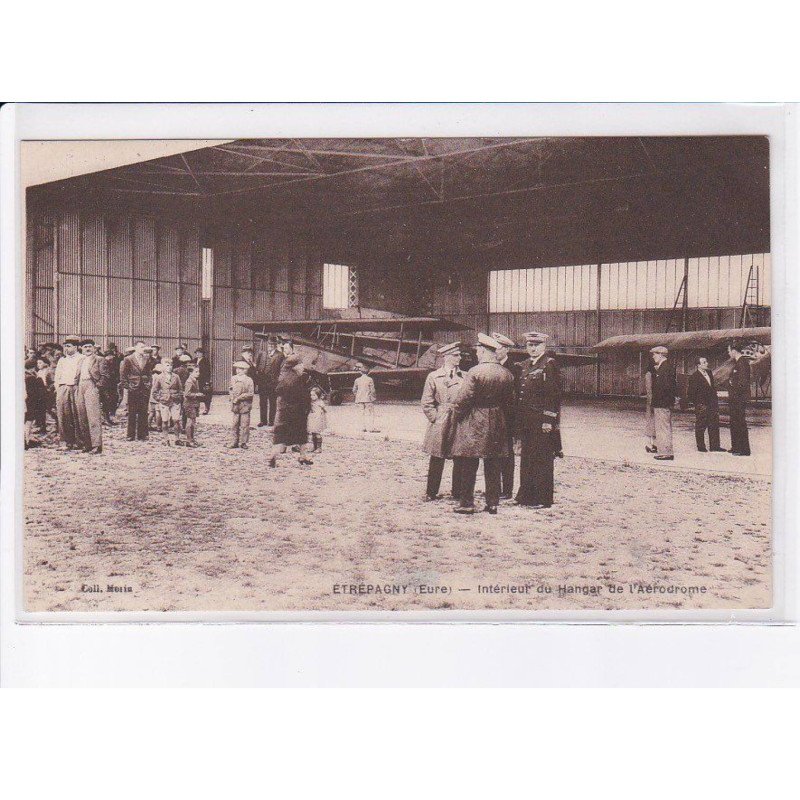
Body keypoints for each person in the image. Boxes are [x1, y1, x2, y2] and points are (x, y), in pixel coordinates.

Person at [450, 333, 515, 515]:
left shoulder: (475, 372)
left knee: (469, 463)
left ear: (485, 351)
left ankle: (466, 503)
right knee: (493, 464)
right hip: (497, 420)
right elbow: (510, 402)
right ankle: (492, 503)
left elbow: (464, 399)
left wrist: (457, 416)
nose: (477, 354)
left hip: (475, 420)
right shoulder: (507, 373)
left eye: (478, 350)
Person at [514, 331, 562, 508]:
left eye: (536, 345)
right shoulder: (526, 364)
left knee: (542, 459)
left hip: (541, 421)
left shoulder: (549, 364)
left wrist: (548, 420)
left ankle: (543, 498)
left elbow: (553, 395)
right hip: (527, 420)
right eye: (530, 345)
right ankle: (526, 495)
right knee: (527, 458)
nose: (533, 348)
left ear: (544, 346)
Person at [420, 341, 465, 501]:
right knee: (436, 456)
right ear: (446, 357)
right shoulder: (433, 376)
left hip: (458, 419)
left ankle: (457, 492)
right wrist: (435, 418)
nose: (459, 358)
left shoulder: (465, 376)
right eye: (455, 355)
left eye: (459, 355)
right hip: (440, 420)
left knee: (459, 456)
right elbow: (426, 402)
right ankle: (431, 492)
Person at [268, 355, 313, 466]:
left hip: (285, 411)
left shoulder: (284, 377)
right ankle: (301, 456)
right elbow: (303, 396)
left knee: (281, 437)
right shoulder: (296, 379)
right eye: (300, 364)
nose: (303, 367)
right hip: (295, 413)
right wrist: (307, 407)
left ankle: (274, 457)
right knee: (299, 435)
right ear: (295, 366)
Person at [491, 332, 518, 498]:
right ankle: (494, 488)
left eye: (498, 348)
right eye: (493, 348)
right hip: (491, 417)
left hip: (507, 418)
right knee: (492, 454)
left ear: (506, 349)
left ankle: (507, 490)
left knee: (507, 455)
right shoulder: (490, 366)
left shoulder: (514, 369)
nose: (495, 351)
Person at [74, 338, 109, 454]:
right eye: (85, 347)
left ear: (94, 348)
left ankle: (96, 445)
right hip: (81, 386)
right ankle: (87, 444)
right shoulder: (80, 360)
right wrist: (76, 387)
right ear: (81, 349)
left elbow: (105, 376)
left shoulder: (100, 359)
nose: (87, 349)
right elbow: (77, 375)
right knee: (82, 416)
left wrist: (97, 387)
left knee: (93, 417)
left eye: (90, 346)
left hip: (92, 386)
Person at [54, 335, 84, 451]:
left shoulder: (82, 358)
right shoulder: (62, 360)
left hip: (76, 388)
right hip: (63, 388)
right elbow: (57, 376)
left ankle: (79, 441)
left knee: (76, 415)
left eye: (69, 346)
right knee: (63, 415)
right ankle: (66, 441)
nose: (66, 349)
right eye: (65, 346)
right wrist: (58, 388)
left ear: (76, 347)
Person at [687, 355, 723, 452]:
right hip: (702, 404)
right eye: (704, 362)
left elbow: (712, 388)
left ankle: (715, 446)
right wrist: (698, 403)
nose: (707, 363)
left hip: (712, 403)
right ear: (698, 365)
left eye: (706, 361)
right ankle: (701, 446)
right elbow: (691, 393)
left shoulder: (709, 373)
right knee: (701, 425)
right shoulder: (694, 377)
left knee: (714, 424)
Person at [119, 341, 154, 441]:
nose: (143, 349)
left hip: (144, 388)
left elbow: (149, 373)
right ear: (135, 348)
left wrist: (149, 384)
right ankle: (130, 435)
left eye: (144, 347)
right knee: (132, 412)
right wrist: (128, 386)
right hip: (133, 388)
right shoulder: (128, 359)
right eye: (141, 347)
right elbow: (123, 374)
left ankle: (142, 435)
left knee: (143, 411)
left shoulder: (146, 358)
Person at [649, 345, 678, 461]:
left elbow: (665, 387)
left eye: (654, 354)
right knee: (663, 427)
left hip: (662, 403)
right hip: (663, 403)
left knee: (662, 428)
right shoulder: (665, 366)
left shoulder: (664, 367)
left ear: (660, 354)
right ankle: (664, 451)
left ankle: (666, 452)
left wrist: (661, 401)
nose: (653, 357)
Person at [727, 339, 751, 456]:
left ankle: (744, 450)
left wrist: (734, 393)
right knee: (735, 422)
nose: (728, 353)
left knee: (740, 422)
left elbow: (742, 383)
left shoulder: (742, 363)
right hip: (736, 398)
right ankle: (736, 447)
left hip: (739, 398)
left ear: (734, 350)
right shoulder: (738, 363)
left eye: (729, 351)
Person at [152, 357, 184, 446]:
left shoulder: (176, 377)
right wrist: (160, 399)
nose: (169, 367)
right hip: (164, 401)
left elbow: (180, 389)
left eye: (171, 365)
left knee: (176, 420)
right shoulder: (159, 377)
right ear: (163, 367)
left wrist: (178, 397)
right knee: (165, 421)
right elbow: (154, 392)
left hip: (175, 401)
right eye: (167, 365)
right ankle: (166, 439)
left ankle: (177, 439)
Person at [256, 337, 284, 427]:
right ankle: (263, 421)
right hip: (262, 382)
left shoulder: (280, 355)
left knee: (272, 402)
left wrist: (278, 380)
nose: (270, 346)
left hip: (273, 383)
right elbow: (257, 366)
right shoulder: (262, 353)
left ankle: (271, 421)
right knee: (262, 402)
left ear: (275, 345)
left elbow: (282, 369)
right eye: (269, 344)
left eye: (272, 344)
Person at [228, 360, 255, 449]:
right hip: (235, 405)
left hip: (245, 405)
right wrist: (232, 397)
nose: (238, 371)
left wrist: (240, 398)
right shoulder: (233, 379)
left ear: (245, 370)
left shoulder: (249, 380)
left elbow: (250, 393)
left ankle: (243, 442)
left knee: (244, 424)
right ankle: (234, 441)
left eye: (240, 369)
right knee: (235, 424)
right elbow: (231, 389)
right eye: (237, 369)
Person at [24, 359, 46, 449]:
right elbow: (37, 391)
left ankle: (26, 439)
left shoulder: (24, 376)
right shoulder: (32, 378)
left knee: (26, 421)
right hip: (30, 402)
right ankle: (26, 440)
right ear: (33, 367)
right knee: (29, 422)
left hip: (26, 401)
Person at [180, 363, 204, 447]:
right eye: (196, 372)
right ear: (191, 372)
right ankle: (189, 440)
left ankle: (192, 439)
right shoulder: (189, 382)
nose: (198, 373)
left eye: (198, 371)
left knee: (193, 422)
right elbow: (187, 394)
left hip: (194, 403)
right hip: (189, 404)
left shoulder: (195, 380)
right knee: (190, 422)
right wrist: (197, 394)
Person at [353, 362, 378, 432]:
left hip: (359, 400)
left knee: (361, 414)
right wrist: (373, 398)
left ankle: (362, 428)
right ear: (368, 372)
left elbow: (354, 390)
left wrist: (357, 396)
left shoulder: (357, 380)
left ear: (361, 372)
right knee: (370, 414)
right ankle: (371, 428)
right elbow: (373, 390)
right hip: (368, 399)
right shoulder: (370, 379)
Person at [101, 342, 122, 425]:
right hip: (105, 386)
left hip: (112, 385)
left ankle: (108, 418)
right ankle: (105, 419)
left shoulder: (113, 362)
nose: (112, 357)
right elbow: (105, 375)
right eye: (110, 356)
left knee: (112, 400)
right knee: (106, 401)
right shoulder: (104, 363)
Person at [35, 356, 56, 432]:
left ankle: (56, 425)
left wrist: (48, 390)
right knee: (41, 410)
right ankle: (43, 427)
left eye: (40, 363)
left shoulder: (49, 371)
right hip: (40, 393)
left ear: (45, 363)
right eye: (37, 363)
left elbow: (53, 383)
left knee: (50, 409)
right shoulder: (39, 372)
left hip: (48, 393)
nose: (38, 364)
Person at [643, 354, 658, 453]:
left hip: (657, 401)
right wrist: (651, 402)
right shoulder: (649, 374)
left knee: (656, 423)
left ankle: (655, 444)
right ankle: (649, 444)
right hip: (652, 402)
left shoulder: (657, 374)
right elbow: (649, 390)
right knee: (651, 423)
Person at [307, 386, 327, 453]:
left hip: (318, 419)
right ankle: (314, 446)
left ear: (318, 395)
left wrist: (322, 412)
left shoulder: (320, 402)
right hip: (312, 418)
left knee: (317, 433)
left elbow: (325, 410)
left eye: (314, 395)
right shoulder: (311, 402)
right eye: (311, 395)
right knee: (313, 433)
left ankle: (319, 448)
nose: (312, 396)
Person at [194, 348, 213, 414]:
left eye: (199, 353)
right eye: (196, 353)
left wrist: (207, 381)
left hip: (203, 380)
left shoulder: (205, 361)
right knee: (196, 395)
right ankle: (196, 409)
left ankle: (206, 408)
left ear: (202, 354)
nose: (197, 354)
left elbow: (208, 372)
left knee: (205, 394)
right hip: (195, 380)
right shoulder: (194, 360)